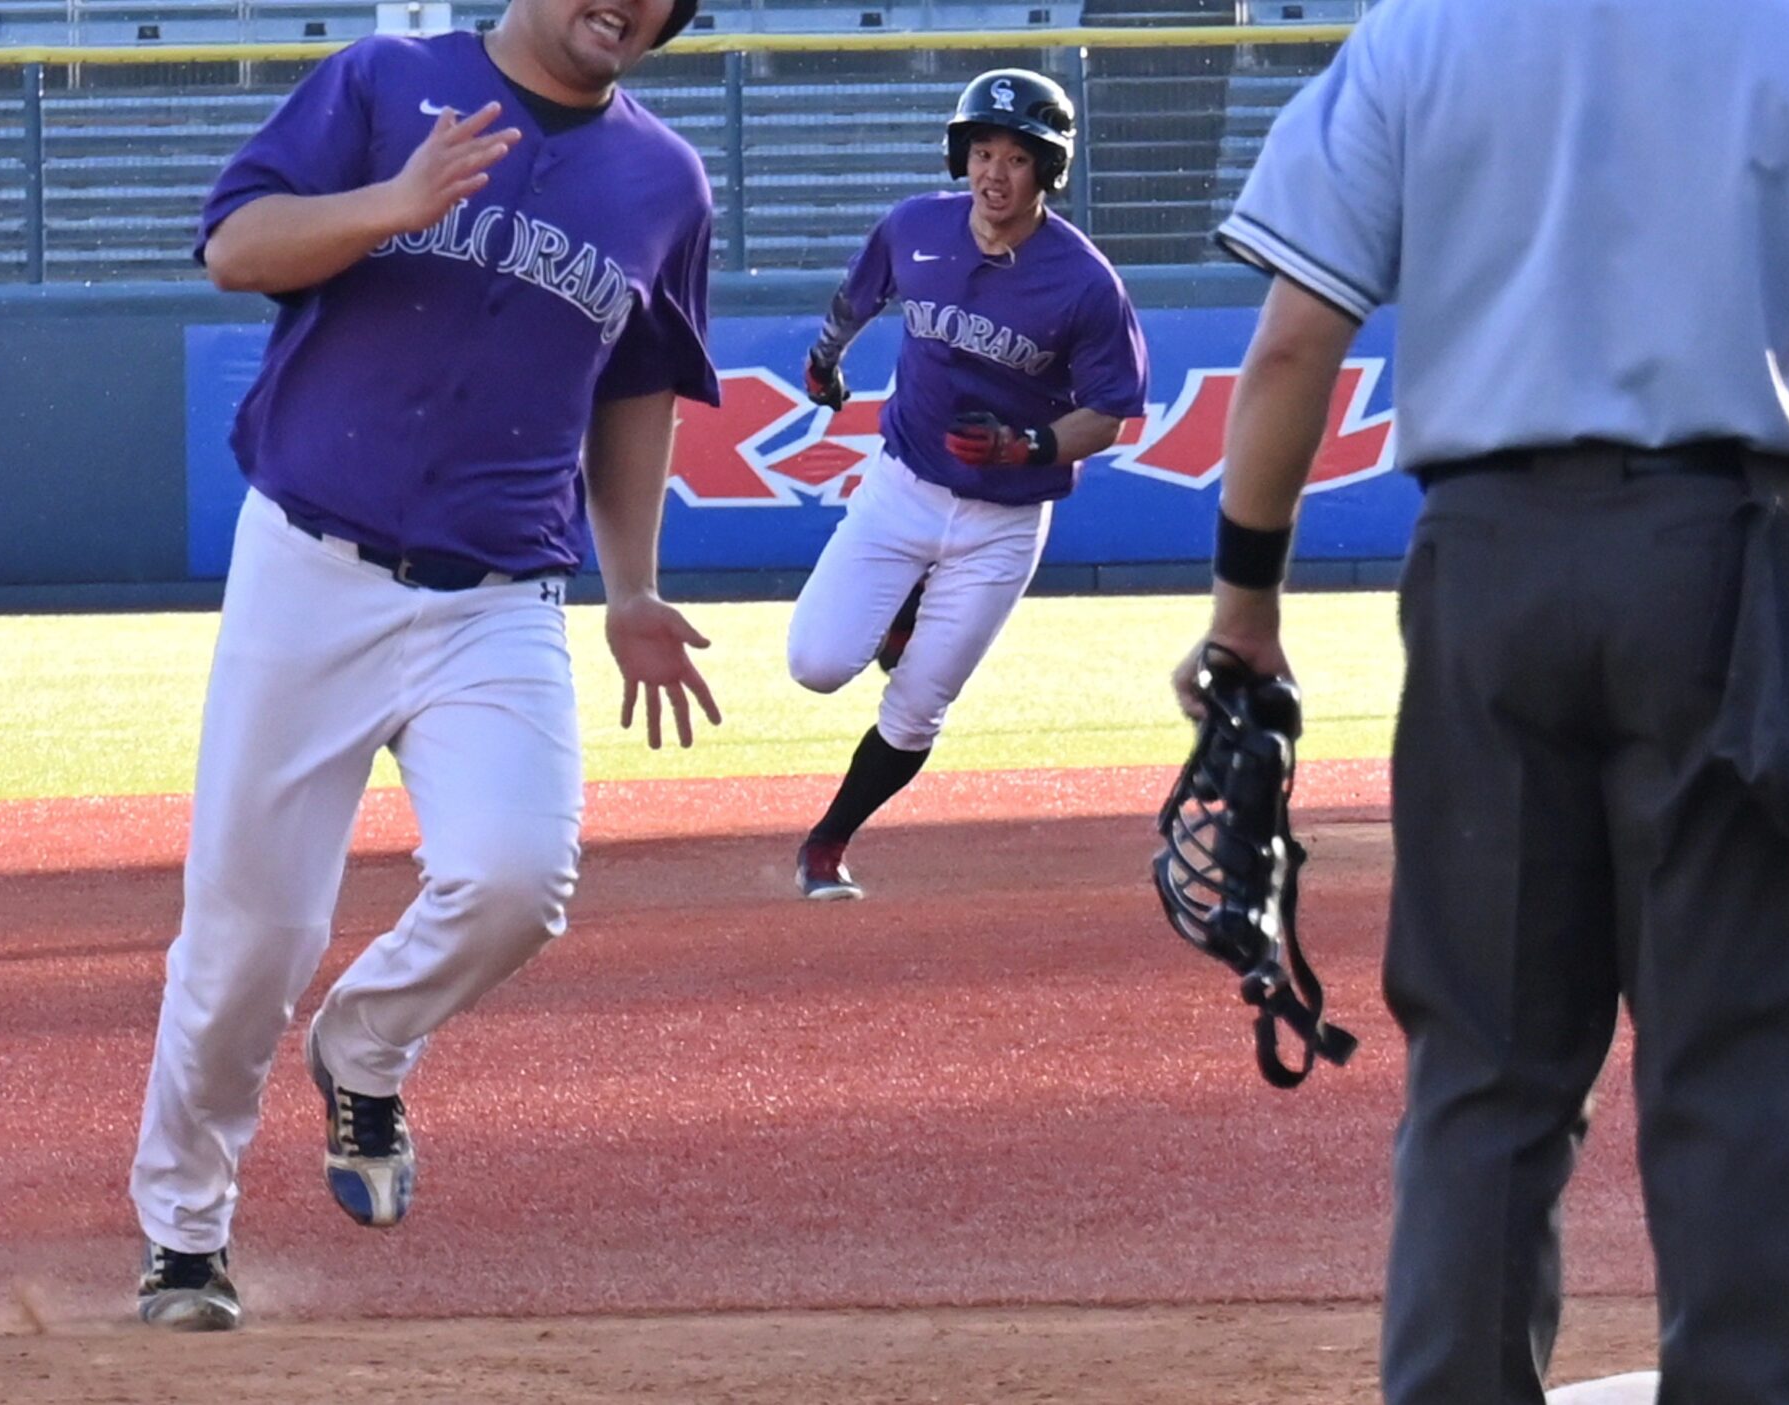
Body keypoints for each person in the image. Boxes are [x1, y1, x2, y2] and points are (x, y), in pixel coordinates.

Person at [1179, 0, 1789, 1399]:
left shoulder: (1414, 35)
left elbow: (1291, 345)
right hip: (1727, 571)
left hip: (1484, 575)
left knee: (1485, 1067)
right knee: (1740, 1061)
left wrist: (1244, 605)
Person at [131, 0, 719, 1331]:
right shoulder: (385, 79)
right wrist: (393, 203)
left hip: (501, 596)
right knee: (251, 940)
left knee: (517, 880)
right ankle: (185, 1235)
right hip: (310, 566)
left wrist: (632, 585)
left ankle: (366, 1042)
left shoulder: (664, 179)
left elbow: (638, 387)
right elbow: (235, 247)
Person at [786, 69, 1149, 899]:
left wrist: (1029, 445)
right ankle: (904, 610)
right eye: (982, 151)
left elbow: (1110, 414)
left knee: (918, 707)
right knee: (816, 662)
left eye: (1016, 157)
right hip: (903, 486)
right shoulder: (916, 225)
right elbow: (856, 298)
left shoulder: (1086, 282)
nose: (995, 173)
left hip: (1004, 519)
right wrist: (824, 360)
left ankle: (827, 843)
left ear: (1047, 169)